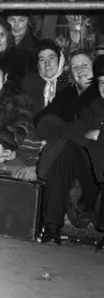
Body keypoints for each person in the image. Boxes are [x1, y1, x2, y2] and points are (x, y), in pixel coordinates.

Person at [38, 55, 104, 245]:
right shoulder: (91, 108)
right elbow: (75, 134)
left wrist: (99, 135)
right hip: (91, 177)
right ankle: (51, 227)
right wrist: (92, 139)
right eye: (101, 82)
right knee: (66, 150)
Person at [34, 49, 98, 132]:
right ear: (71, 73)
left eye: (84, 65)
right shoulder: (67, 93)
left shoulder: (100, 93)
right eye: (75, 67)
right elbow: (40, 118)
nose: (79, 70)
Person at [21, 40, 68, 119]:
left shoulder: (69, 82)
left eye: (51, 58)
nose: (47, 64)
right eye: (42, 59)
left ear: (60, 60)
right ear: (37, 64)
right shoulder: (29, 83)